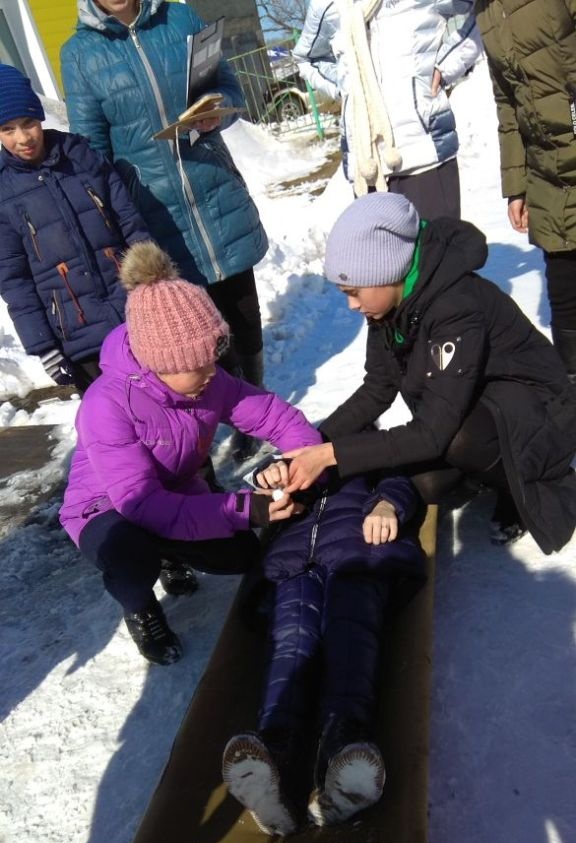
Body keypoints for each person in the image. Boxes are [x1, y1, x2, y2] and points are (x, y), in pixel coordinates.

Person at [59, 241, 322, 665]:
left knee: (241, 554)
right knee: (130, 556)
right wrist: (245, 508)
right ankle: (140, 607)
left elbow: (274, 417)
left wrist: (305, 459)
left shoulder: (207, 381)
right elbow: (141, 502)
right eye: (196, 364)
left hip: (173, 493)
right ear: (159, 363)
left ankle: (167, 551)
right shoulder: (106, 404)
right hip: (106, 508)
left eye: (212, 359)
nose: (211, 373)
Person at [278, 192, 576, 554]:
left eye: (354, 291)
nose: (351, 305)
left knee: (458, 442)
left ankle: (516, 487)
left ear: (386, 271)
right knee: (424, 485)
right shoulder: (390, 305)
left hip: (541, 414)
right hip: (474, 403)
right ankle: (481, 469)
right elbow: (377, 389)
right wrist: (312, 443)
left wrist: (330, 455)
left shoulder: (455, 308)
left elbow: (433, 434)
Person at [60, 0, 268, 459]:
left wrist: (216, 111)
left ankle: (255, 406)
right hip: (154, 210)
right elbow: (91, 147)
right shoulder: (80, 53)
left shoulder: (180, 18)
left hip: (213, 186)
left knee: (245, 319)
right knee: (201, 332)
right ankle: (229, 411)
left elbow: (226, 85)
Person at [222, 470, 426, 835]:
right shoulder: (297, 467)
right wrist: (270, 482)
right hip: (294, 564)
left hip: (359, 554)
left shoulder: (369, 462)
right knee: (291, 641)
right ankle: (276, 753)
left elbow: (400, 481)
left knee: (349, 635)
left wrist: (386, 504)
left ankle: (342, 746)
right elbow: (261, 487)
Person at [0, 64, 150, 394]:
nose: (23, 138)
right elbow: (13, 280)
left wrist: (156, 291)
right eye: (7, 129)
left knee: (169, 405)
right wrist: (43, 344)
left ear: (40, 118)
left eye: (28, 123)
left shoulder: (82, 157)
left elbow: (132, 227)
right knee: (113, 420)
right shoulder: (3, 192)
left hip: (134, 316)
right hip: (77, 334)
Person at [293, 0, 481, 214]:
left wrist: (446, 66)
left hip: (425, 156)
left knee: (438, 237)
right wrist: (348, 87)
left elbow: (488, 8)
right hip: (368, 169)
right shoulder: (327, 5)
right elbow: (306, 59)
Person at [475, 0, 576, 382]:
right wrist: (516, 186)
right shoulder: (485, 12)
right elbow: (507, 102)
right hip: (548, 171)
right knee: (564, 292)